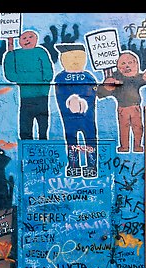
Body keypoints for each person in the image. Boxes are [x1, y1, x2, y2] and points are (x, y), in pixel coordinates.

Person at [94, 51, 146, 153]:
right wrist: (107, 87)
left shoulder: (137, 78)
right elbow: (101, 92)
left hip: (135, 108)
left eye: (130, 63)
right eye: (123, 64)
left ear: (136, 64)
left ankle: (137, 146)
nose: (127, 66)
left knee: (138, 127)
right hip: (122, 108)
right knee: (124, 128)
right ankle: (124, 147)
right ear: (118, 66)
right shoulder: (115, 79)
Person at [53, 43, 99, 178]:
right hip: (69, 117)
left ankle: (91, 166)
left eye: (77, 57)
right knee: (71, 140)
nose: (74, 61)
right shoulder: (60, 78)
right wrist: (71, 100)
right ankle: (74, 165)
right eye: (68, 57)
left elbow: (94, 93)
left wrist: (83, 101)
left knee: (90, 139)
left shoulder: (88, 77)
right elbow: (60, 95)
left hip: (87, 116)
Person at [3, 30, 53, 140]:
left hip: (42, 95)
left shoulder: (40, 51)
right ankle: (26, 148)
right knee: (25, 125)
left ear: (36, 39)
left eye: (30, 37)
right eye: (24, 38)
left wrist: (44, 82)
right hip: (25, 96)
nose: (27, 40)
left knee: (43, 124)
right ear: (19, 41)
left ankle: (43, 145)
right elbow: (10, 72)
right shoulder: (15, 54)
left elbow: (47, 69)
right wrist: (10, 45)